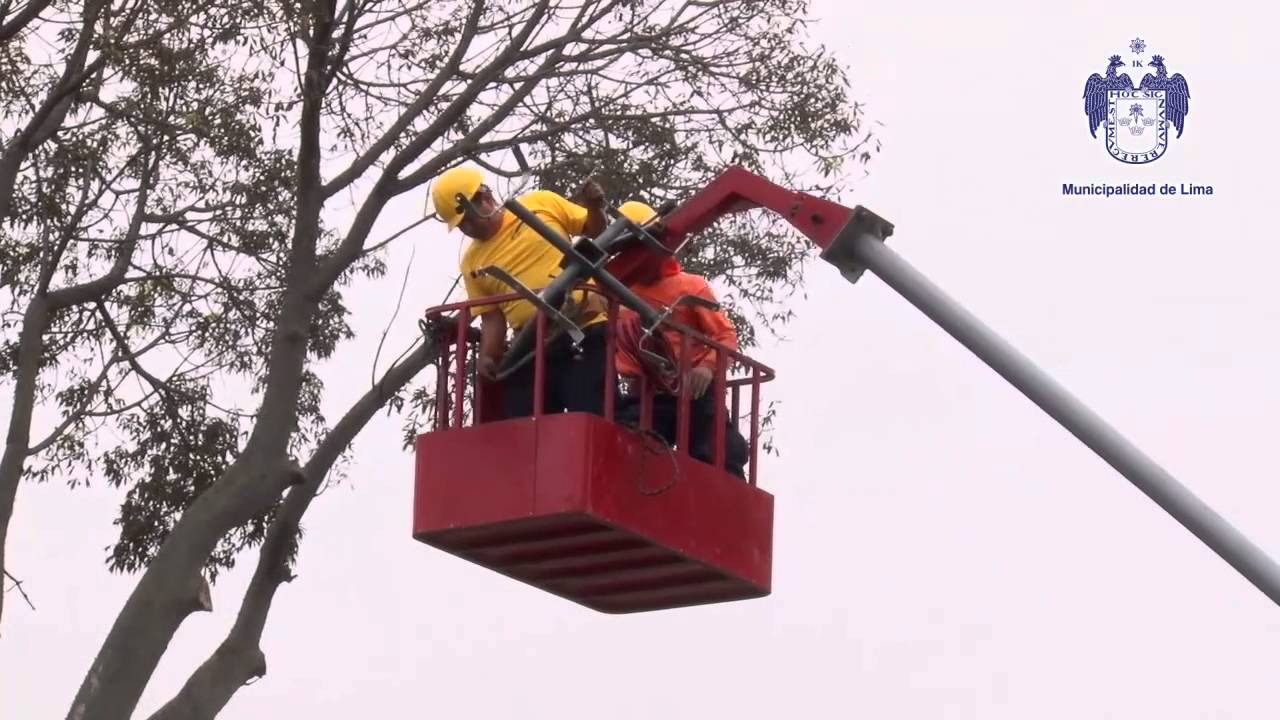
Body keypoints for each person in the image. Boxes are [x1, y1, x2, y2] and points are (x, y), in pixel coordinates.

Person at [430, 165, 615, 420]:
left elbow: (594, 230)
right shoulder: (472, 262)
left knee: (591, 416)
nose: (467, 229)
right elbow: (492, 316)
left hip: (583, 328)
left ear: (485, 198)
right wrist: (487, 357)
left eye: (468, 220)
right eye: (461, 226)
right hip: (531, 345)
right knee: (523, 424)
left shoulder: (540, 204)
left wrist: (596, 207)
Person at [612, 200, 749, 479]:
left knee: (719, 451)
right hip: (647, 393)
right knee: (626, 445)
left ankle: (724, 504)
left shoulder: (690, 286)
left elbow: (725, 334)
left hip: (694, 392)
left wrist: (707, 367)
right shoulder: (615, 290)